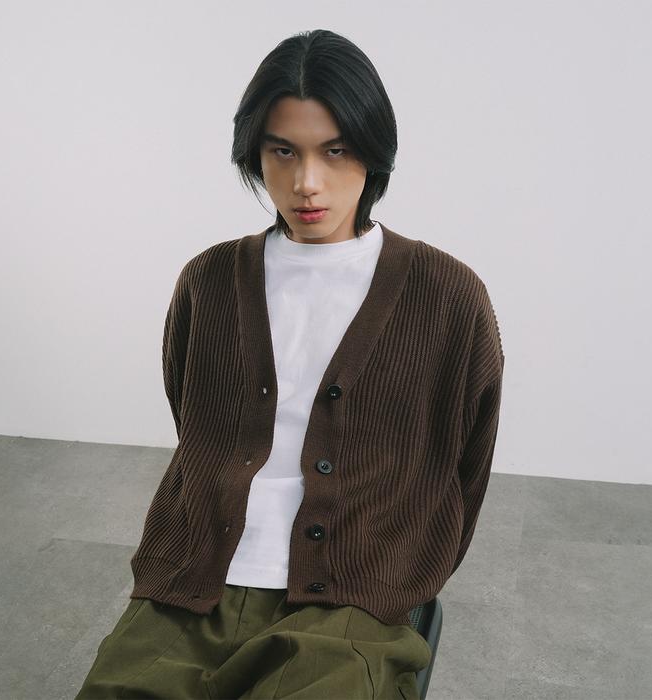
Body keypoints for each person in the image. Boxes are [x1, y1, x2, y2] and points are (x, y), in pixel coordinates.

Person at [75, 28, 504, 700]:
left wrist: (396, 577)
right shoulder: (209, 281)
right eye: (283, 151)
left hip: (352, 601)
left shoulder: (448, 295)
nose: (307, 182)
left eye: (335, 151)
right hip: (194, 583)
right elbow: (197, 426)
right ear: (255, 153)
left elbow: (463, 467)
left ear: (374, 152)